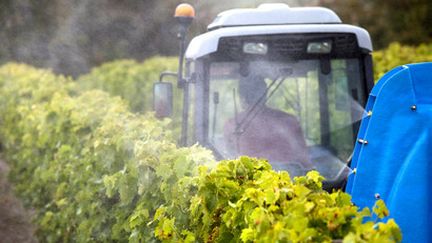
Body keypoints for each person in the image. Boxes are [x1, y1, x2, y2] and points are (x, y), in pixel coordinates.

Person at [224, 75, 313, 170]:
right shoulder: (289, 121)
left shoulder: (232, 125)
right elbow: (305, 163)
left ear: (241, 97)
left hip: (247, 183)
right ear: (265, 94)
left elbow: (228, 161)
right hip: (291, 182)